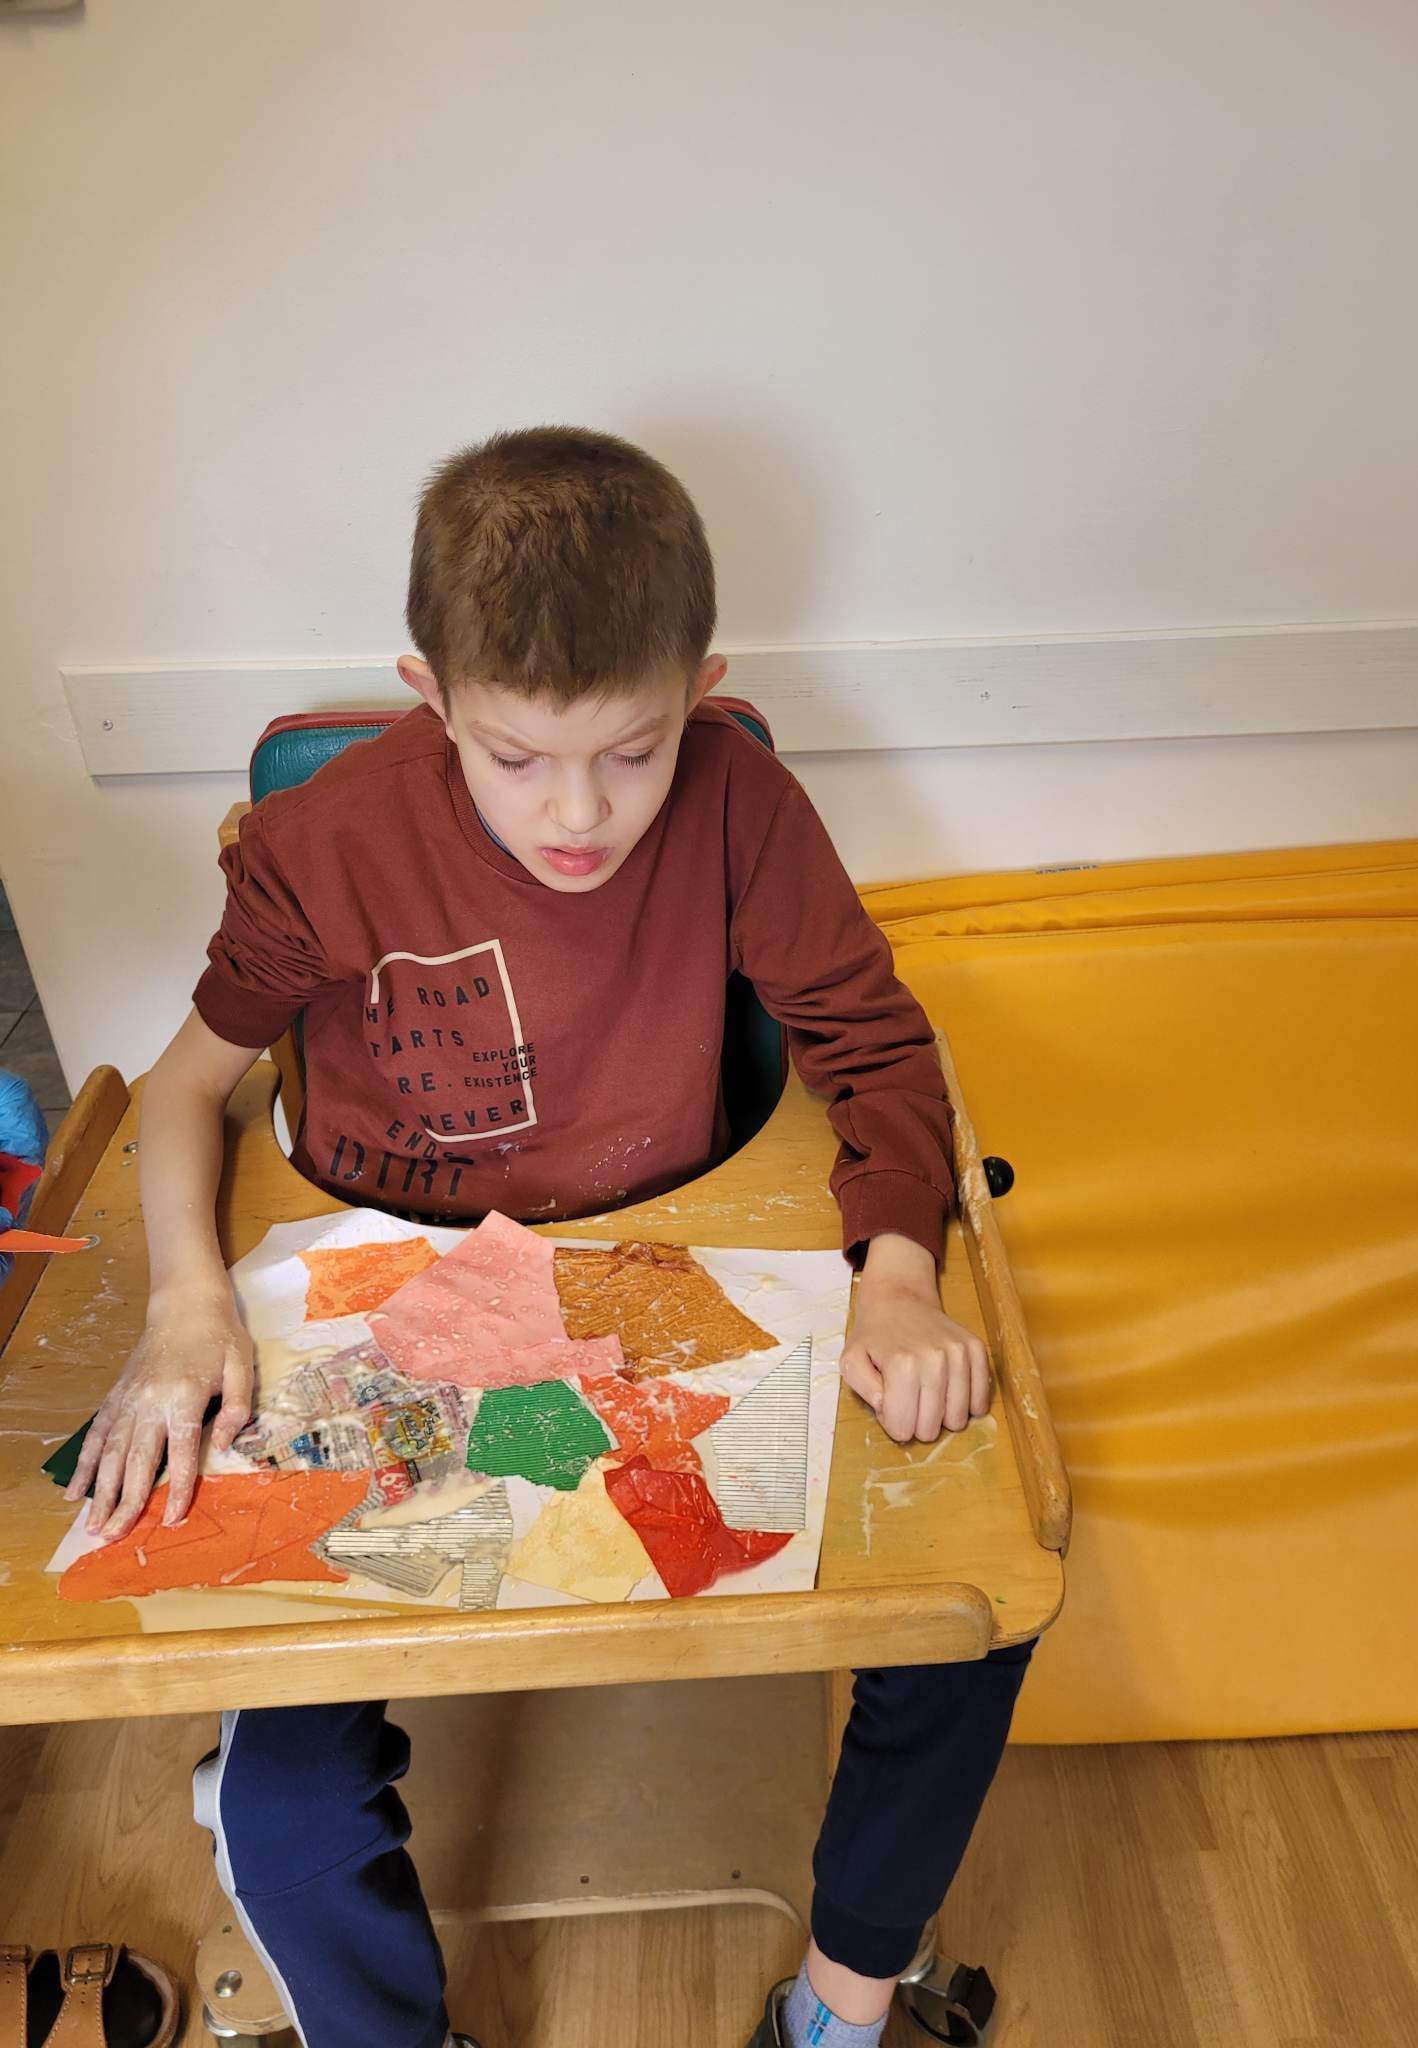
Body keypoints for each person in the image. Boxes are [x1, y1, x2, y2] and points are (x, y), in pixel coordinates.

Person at [66, 427, 1033, 2048]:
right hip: (402, 1304)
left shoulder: (742, 800)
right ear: (431, 696)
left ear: (701, 694)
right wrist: (182, 1304)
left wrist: (902, 1272)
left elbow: (875, 1048)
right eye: (516, 759)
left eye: (634, 752)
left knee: (972, 1602)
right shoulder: (329, 841)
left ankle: (842, 2009)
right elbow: (182, 1090)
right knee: (286, 1790)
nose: (578, 814)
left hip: (661, 1285)